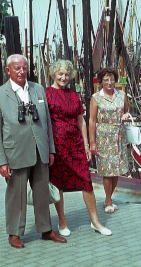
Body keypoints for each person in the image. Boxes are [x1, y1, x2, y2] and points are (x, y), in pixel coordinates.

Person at [0, 54, 67, 249]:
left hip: (40, 151)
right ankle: (14, 232)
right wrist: (1, 161)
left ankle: (46, 229)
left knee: (42, 192)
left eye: (24, 68)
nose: (21, 71)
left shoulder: (38, 89)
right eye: (17, 68)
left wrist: (50, 150)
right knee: (16, 194)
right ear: (8, 70)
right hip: (15, 153)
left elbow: (47, 122)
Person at [46, 60, 111, 236]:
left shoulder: (74, 95)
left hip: (75, 144)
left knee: (86, 181)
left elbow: (81, 120)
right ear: (53, 74)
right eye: (60, 74)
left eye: (67, 74)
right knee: (58, 183)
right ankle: (61, 220)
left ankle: (95, 222)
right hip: (57, 146)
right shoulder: (46, 94)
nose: (64, 77)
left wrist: (86, 145)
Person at [89, 68, 130, 213]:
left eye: (112, 79)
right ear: (101, 82)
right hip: (104, 136)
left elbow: (126, 111)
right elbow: (92, 120)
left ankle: (108, 198)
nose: (109, 82)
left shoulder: (122, 95)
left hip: (119, 135)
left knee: (116, 169)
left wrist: (126, 116)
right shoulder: (96, 98)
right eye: (106, 80)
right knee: (107, 170)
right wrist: (92, 142)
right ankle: (108, 201)